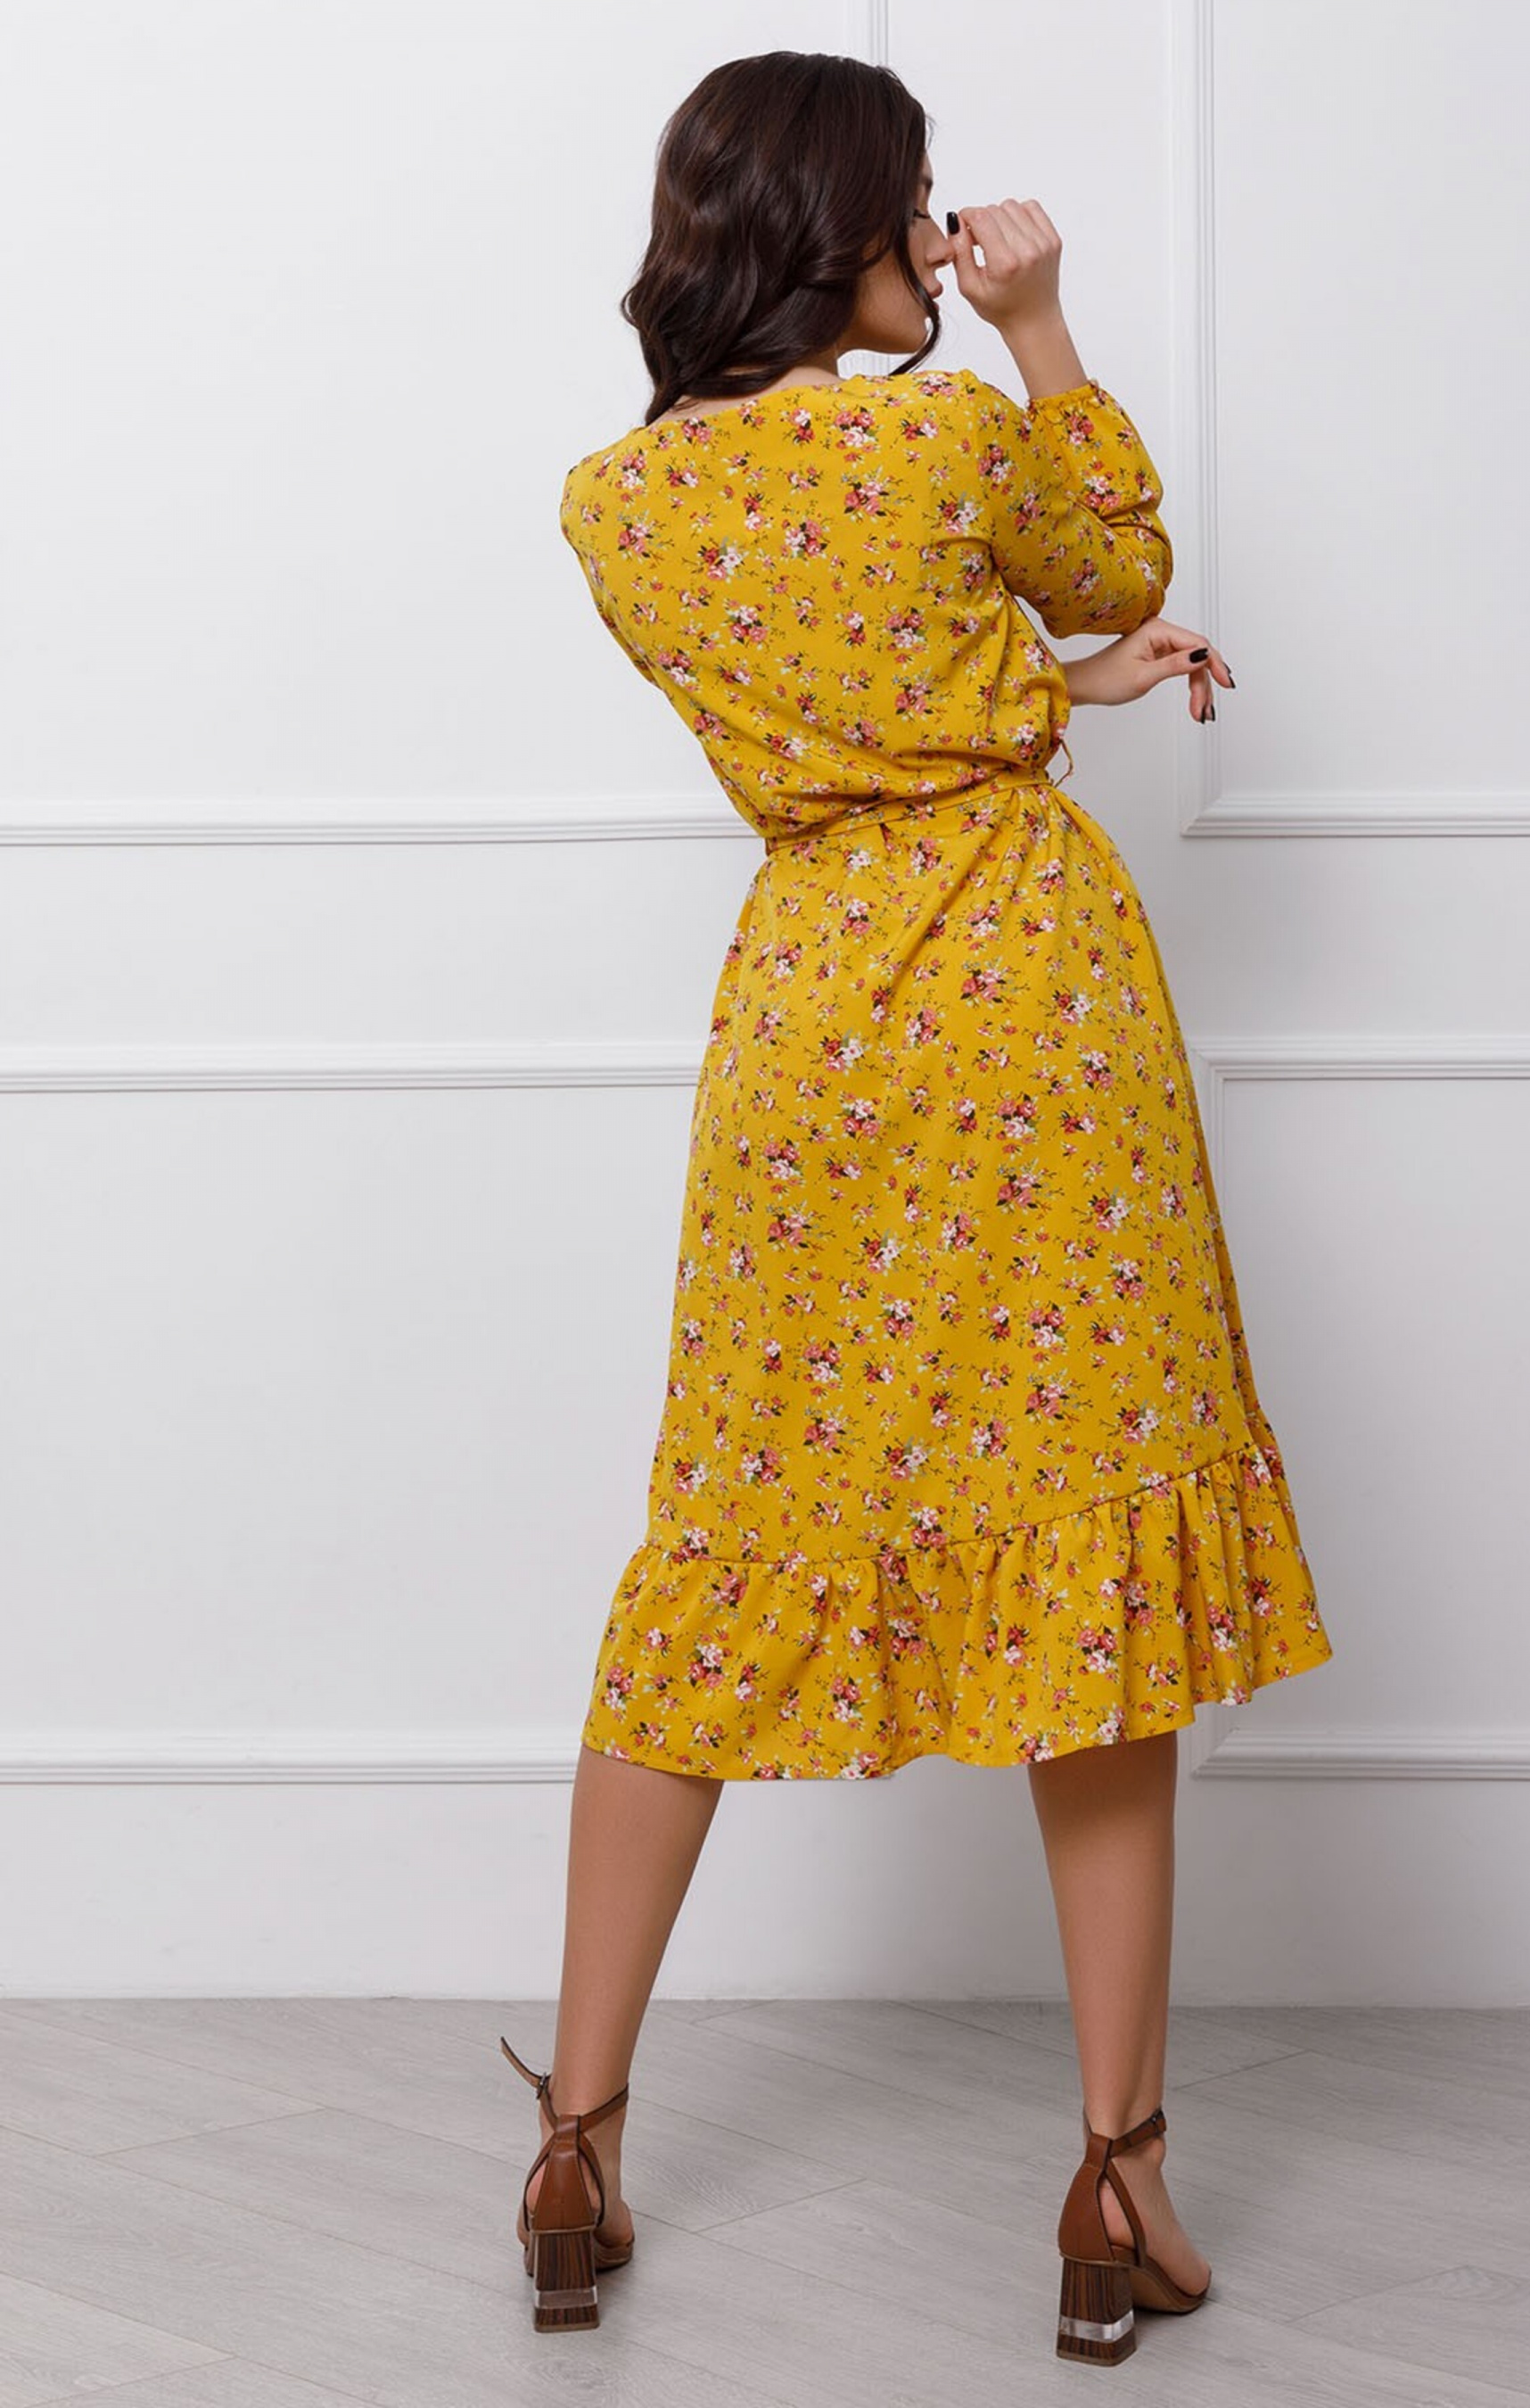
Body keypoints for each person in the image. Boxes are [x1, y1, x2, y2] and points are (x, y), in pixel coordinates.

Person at [500, 48, 1334, 2366]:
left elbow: (855, 703)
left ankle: (576, 2140)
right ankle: (1115, 2177)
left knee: (726, 1531)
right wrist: (1047, 324)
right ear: (840, 228)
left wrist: (1050, 686)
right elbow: (1115, 550)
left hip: (814, 1022)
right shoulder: (950, 432)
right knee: (1090, 1535)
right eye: (923, 210)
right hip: (1032, 1006)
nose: (944, 249)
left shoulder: (615, 505)